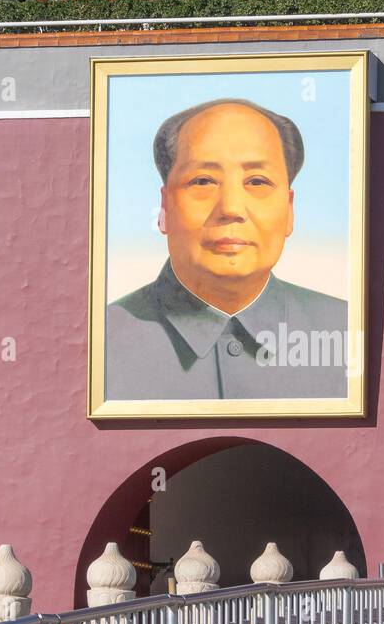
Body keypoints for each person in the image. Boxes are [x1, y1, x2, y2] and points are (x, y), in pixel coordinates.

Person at [106, 99, 348, 400]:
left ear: (289, 210)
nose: (231, 208)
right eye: (204, 181)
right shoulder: (103, 340)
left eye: (257, 181)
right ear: (165, 207)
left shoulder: (348, 332)